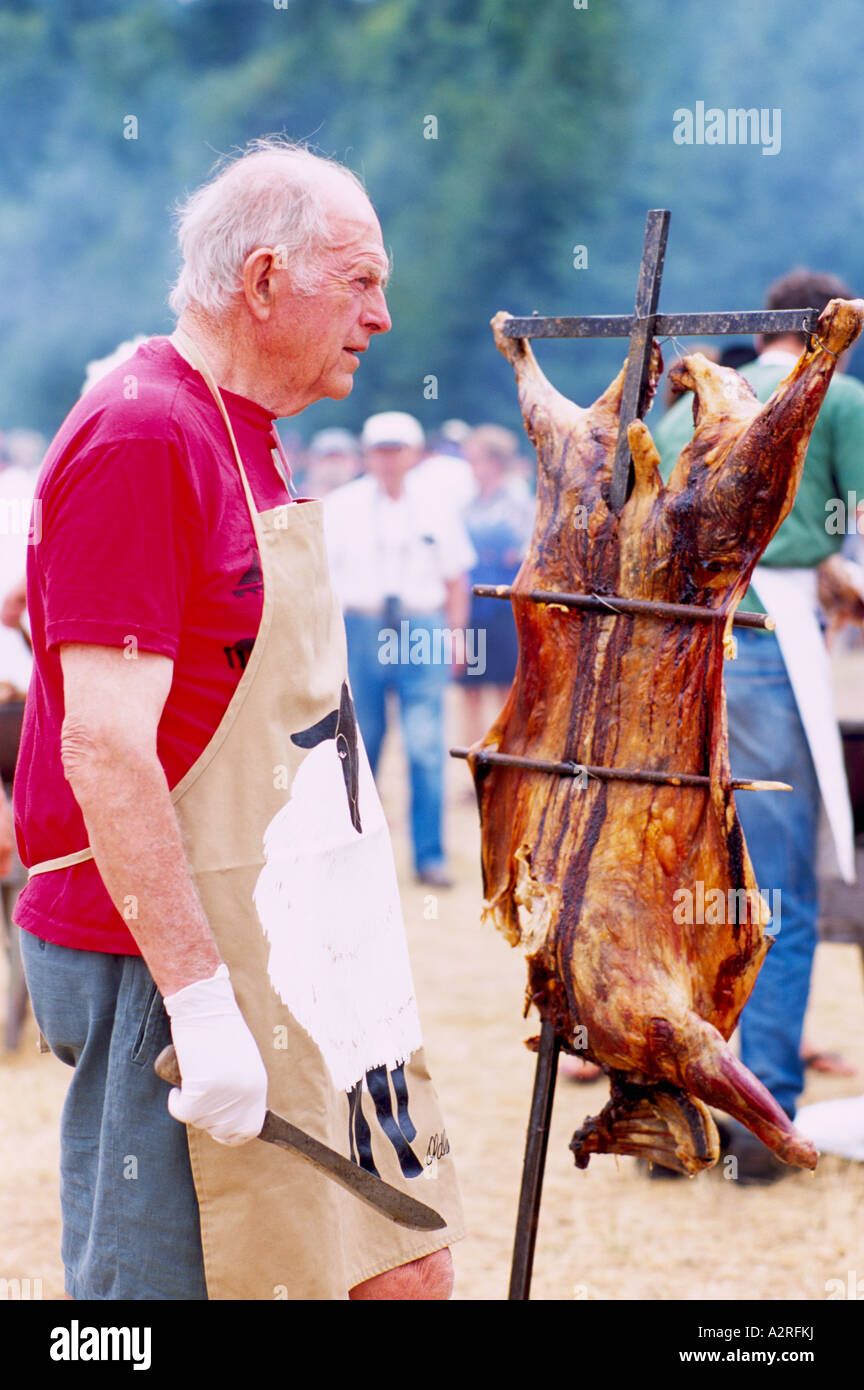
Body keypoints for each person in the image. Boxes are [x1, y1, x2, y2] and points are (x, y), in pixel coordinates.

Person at [13, 137, 463, 1299]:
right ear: (263, 281)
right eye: (360, 281)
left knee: (399, 1267)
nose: (384, 316)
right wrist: (204, 1007)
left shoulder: (236, 428)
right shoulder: (145, 433)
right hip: (160, 951)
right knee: (153, 1299)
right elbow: (104, 743)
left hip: (285, 930)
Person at [653, 268, 864, 1183]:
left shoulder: (684, 403)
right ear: (829, 327)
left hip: (674, 647)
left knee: (681, 886)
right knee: (774, 889)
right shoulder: (838, 396)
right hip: (767, 639)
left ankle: (674, 1104)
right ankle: (757, 1106)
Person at [324, 411, 475, 888]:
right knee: (359, 743)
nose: (389, 460)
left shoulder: (436, 504)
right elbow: (322, 582)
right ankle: (352, 850)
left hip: (420, 626)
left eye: (397, 450)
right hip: (362, 625)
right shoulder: (341, 505)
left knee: (427, 745)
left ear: (412, 454)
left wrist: (456, 636)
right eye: (380, 450)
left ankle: (429, 855)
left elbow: (456, 578)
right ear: (367, 454)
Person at [459, 424, 534, 747]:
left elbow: (519, 554)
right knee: (471, 690)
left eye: (476, 460)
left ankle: (506, 758)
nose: (471, 468)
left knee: (507, 688)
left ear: (494, 461)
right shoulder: (469, 503)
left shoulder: (518, 501)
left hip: (505, 608)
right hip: (475, 608)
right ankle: (476, 759)